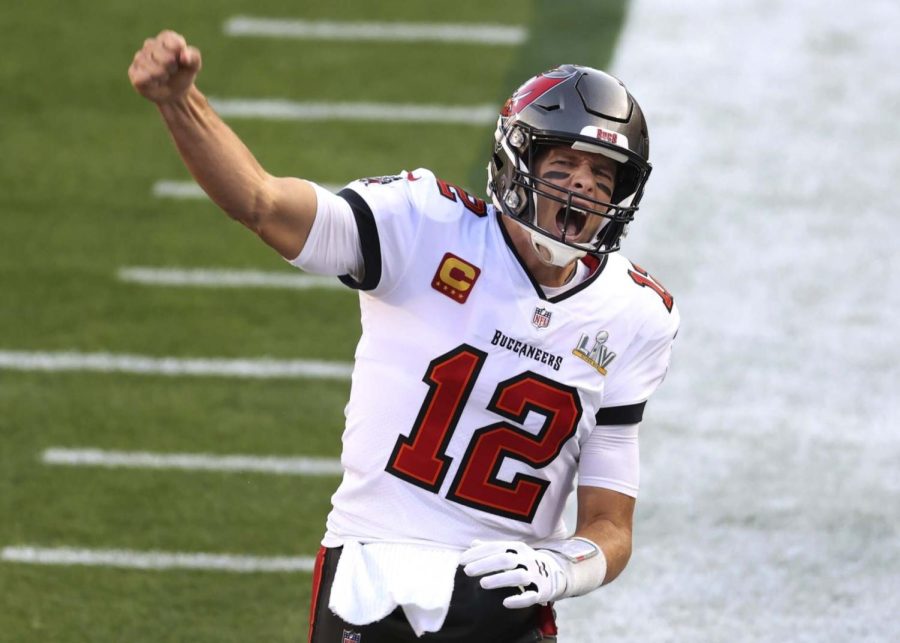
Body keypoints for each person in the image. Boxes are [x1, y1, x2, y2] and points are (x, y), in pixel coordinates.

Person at [129, 30, 679, 643]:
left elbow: (611, 526)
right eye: (566, 165)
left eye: (604, 176)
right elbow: (262, 203)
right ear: (517, 164)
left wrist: (561, 567)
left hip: (506, 594)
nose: (583, 187)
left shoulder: (635, 314)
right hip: (374, 573)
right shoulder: (423, 225)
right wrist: (180, 101)